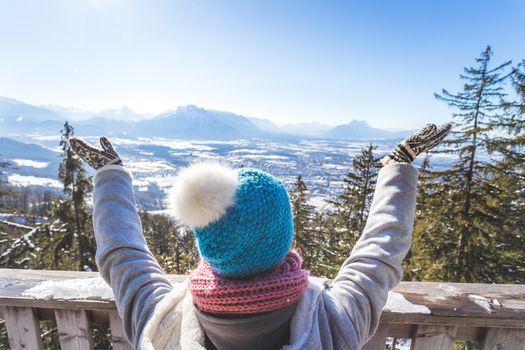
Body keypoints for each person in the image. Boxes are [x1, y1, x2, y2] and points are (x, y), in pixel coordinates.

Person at [69, 123, 451, 350]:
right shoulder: (332, 322)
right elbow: (378, 255)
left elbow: (123, 257)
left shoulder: (162, 322)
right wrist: (398, 166)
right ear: (284, 239)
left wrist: (110, 176)